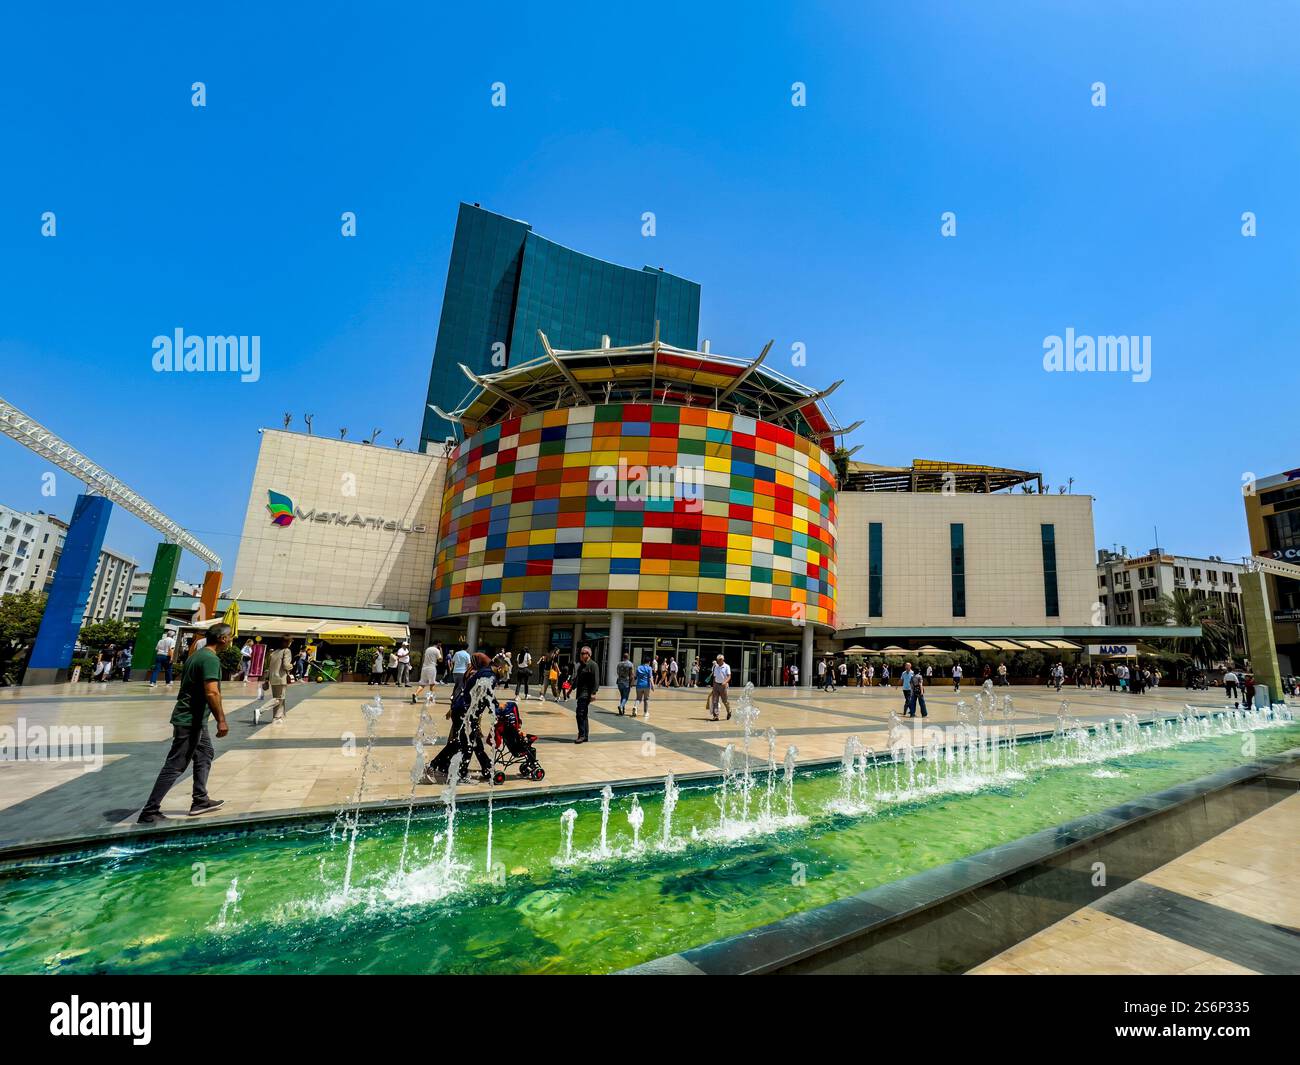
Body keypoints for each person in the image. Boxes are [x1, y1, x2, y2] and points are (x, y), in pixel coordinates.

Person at [137, 622, 232, 823]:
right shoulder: (210, 660)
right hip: (190, 720)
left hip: (195, 719)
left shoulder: (196, 656)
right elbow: (212, 691)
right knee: (176, 765)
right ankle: (150, 811)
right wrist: (221, 720)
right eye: (230, 636)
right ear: (222, 639)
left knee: (205, 753)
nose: (231, 639)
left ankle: (200, 800)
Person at [424, 654, 494, 784]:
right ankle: (435, 767)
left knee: (469, 743)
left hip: (462, 711)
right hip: (465, 713)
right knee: (463, 744)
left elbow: (463, 692)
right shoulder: (476, 674)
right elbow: (476, 697)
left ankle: (484, 769)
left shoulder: (473, 672)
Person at [262, 635, 293, 723]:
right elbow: (286, 665)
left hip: (273, 678)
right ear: (286, 642)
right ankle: (260, 710)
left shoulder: (274, 652)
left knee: (277, 698)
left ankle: (277, 717)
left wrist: (267, 679)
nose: (290, 643)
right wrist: (292, 666)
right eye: (290, 641)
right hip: (281, 678)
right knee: (279, 699)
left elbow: (269, 667)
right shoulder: (286, 651)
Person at [572, 645, 599, 743]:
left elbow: (596, 680)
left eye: (583, 653)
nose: (581, 655)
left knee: (580, 713)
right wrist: (571, 689)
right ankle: (585, 735)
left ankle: (582, 735)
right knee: (583, 714)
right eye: (581, 653)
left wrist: (593, 693)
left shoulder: (593, 665)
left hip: (586, 693)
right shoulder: (581, 665)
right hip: (580, 693)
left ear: (588, 654)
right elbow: (577, 679)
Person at [710, 654, 732, 720]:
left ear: (723, 660)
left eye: (719, 660)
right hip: (716, 685)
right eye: (717, 660)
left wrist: (725, 682)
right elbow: (714, 677)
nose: (718, 661)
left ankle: (729, 711)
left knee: (725, 701)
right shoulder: (716, 667)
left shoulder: (726, 666)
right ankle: (716, 715)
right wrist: (713, 685)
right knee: (715, 701)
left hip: (723, 686)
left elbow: (729, 676)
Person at [634, 653, 655, 718]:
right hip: (646, 686)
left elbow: (635, 676)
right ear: (649, 662)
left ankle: (635, 707)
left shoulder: (639, 667)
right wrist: (652, 685)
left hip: (639, 685)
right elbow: (650, 677)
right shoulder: (649, 668)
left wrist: (632, 683)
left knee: (638, 698)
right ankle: (645, 713)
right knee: (646, 699)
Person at [616, 650, 634, 714]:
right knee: (625, 697)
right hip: (626, 682)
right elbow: (631, 675)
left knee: (622, 696)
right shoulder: (630, 664)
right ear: (628, 657)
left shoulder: (619, 664)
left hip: (619, 682)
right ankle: (621, 706)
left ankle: (622, 710)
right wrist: (632, 683)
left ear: (623, 657)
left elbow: (617, 672)